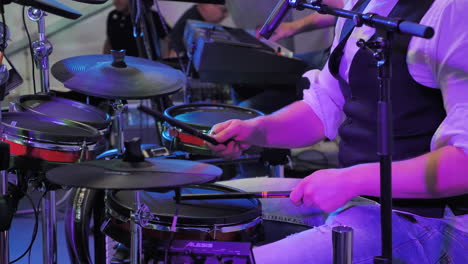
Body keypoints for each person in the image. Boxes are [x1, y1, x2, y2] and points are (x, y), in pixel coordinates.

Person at [207, 0, 468, 262]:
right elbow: (325, 104)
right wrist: (256, 130)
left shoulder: (452, 11)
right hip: (362, 198)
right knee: (209, 207)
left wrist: (351, 180)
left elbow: (464, 163)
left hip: (431, 222)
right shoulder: (360, 5)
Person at [103, 0, 169, 57]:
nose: (116, 1)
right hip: (119, 64)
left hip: (143, 65)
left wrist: (167, 57)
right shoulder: (112, 15)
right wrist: (104, 59)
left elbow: (170, 39)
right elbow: (109, 41)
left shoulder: (151, 16)